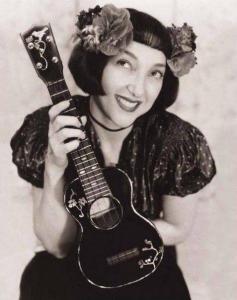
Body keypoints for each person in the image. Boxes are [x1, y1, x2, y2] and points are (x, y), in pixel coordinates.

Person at [11, 4, 216, 300]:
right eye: (124, 64)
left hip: (145, 266)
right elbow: (56, 246)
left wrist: (120, 236)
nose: (138, 89)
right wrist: (54, 165)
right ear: (98, 65)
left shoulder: (175, 140)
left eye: (155, 73)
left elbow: (177, 227)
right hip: (69, 274)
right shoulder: (50, 127)